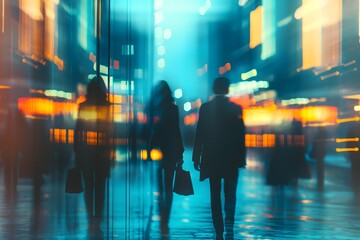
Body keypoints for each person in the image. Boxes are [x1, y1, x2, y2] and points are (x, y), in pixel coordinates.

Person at [192, 77, 246, 240]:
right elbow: (240, 136)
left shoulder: (206, 108)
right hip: (230, 159)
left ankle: (219, 231)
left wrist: (196, 156)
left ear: (214, 89)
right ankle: (229, 225)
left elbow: (200, 133)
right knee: (230, 195)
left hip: (212, 157)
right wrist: (241, 158)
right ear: (228, 89)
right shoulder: (236, 109)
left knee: (214, 195)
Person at [74, 76, 112, 235]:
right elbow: (110, 132)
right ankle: (98, 216)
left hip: (86, 153)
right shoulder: (106, 106)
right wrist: (111, 153)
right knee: (100, 187)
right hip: (102, 154)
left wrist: (76, 152)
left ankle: (91, 216)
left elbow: (78, 132)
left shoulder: (83, 106)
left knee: (89, 187)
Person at [147, 80, 184, 237]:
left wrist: (149, 149)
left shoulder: (155, 108)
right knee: (169, 186)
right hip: (171, 150)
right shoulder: (173, 108)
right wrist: (180, 152)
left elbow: (151, 131)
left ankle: (161, 212)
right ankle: (165, 218)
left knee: (159, 186)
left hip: (158, 149)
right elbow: (176, 130)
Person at [309, 127, 327, 191]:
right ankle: (320, 183)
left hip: (319, 153)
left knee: (319, 169)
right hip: (321, 154)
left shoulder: (318, 135)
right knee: (321, 169)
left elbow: (315, 144)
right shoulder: (324, 135)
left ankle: (320, 183)